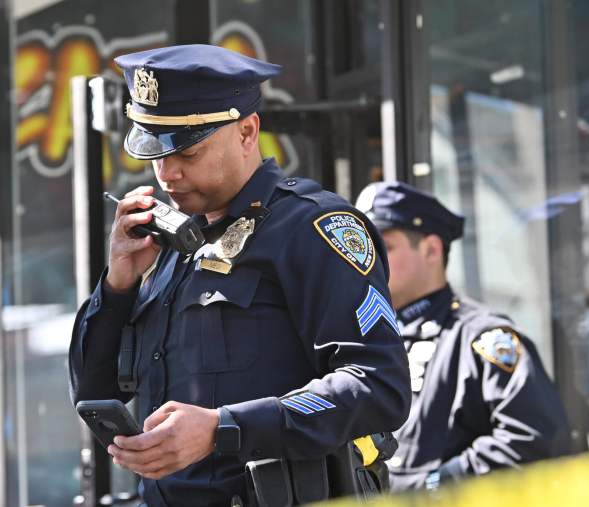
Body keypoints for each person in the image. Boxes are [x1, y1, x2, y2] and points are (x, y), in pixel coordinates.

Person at [69, 44, 411, 506]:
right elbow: (94, 392)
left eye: (188, 150)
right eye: (155, 149)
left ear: (248, 132)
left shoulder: (315, 228)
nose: (167, 172)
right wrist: (117, 286)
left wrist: (225, 428)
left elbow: (379, 387)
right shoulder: (171, 244)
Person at [355, 181, 571, 491]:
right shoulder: (362, 337)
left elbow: (532, 439)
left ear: (431, 249)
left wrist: (433, 486)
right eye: (363, 247)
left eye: (384, 248)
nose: (368, 260)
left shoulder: (483, 336)